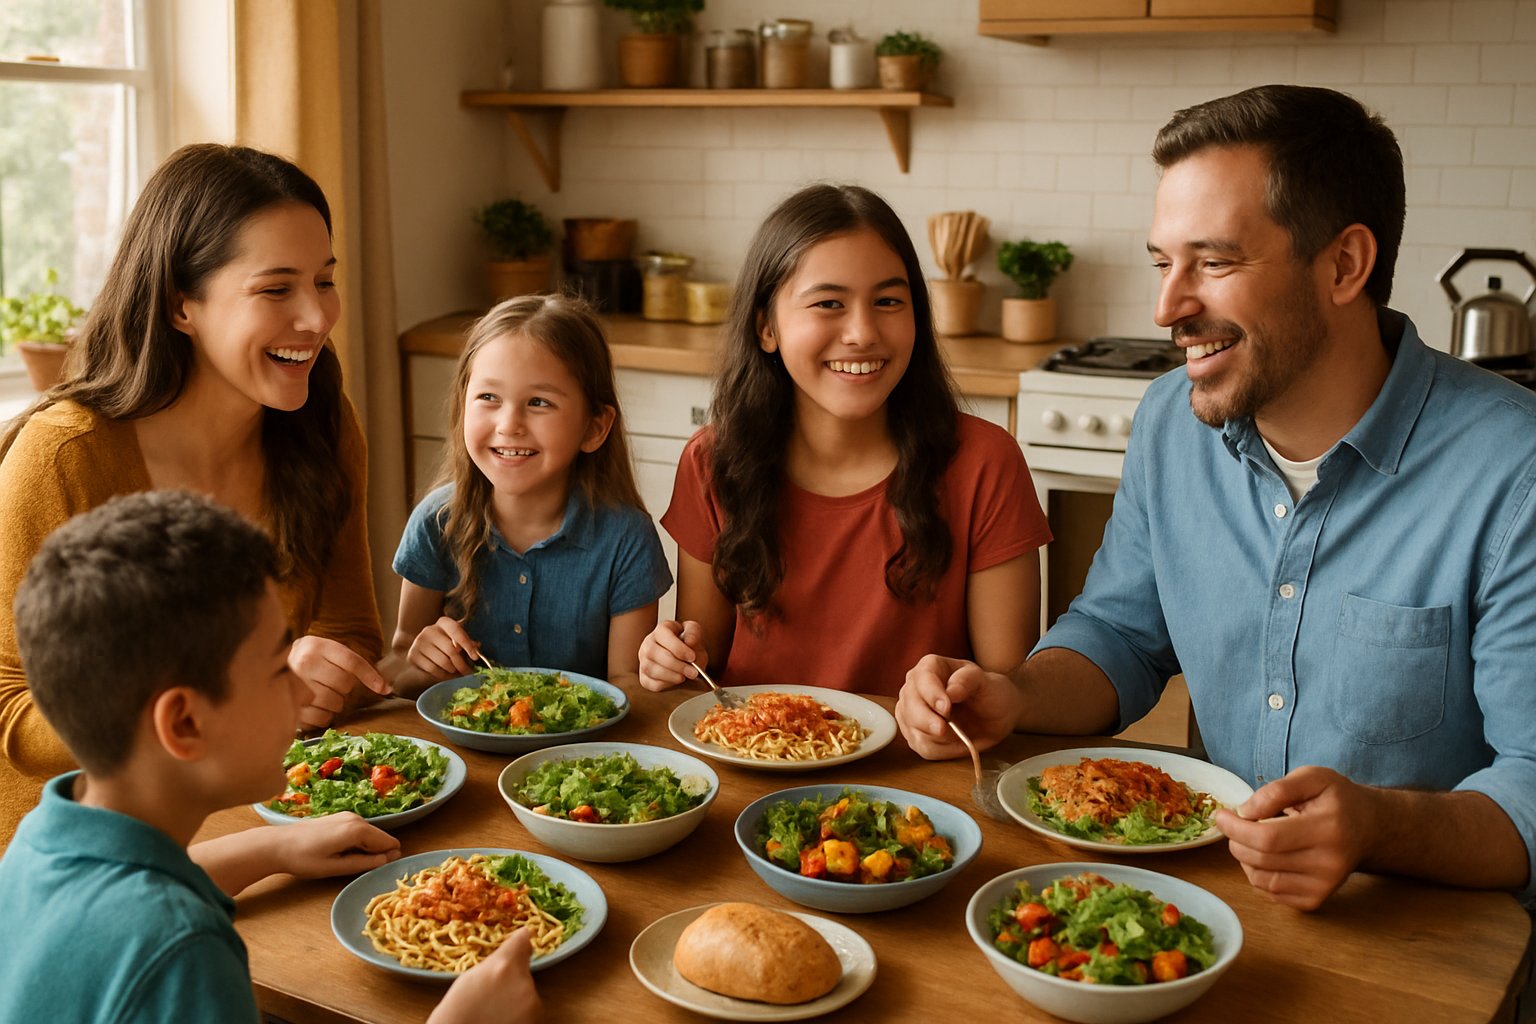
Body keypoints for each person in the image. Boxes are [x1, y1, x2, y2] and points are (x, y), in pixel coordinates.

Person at [899, 84, 1536, 912]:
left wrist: (1379, 827)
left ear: (1345, 265)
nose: (1168, 308)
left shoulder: (1513, 471)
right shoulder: (1172, 419)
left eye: (1216, 261)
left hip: (1426, 936)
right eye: (1164, 263)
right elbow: (1120, 634)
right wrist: (1014, 693)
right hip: (1209, 911)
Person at [0, 490, 540, 1024]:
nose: (304, 695)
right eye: (278, 669)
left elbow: (114, 905)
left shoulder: (37, 842)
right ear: (184, 723)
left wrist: (271, 847)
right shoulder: (183, 955)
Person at [0, 144, 388, 847]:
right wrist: (219, 703)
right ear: (182, 304)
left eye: (324, 280)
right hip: (87, 856)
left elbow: (350, 632)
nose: (317, 316)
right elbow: (10, 711)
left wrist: (318, 669)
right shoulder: (62, 457)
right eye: (276, 290)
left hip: (270, 807)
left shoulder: (321, 422)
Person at [639, 183, 1051, 699]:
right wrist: (674, 657)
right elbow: (705, 665)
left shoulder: (985, 462)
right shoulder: (712, 462)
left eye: (888, 301)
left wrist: (966, 696)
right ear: (766, 327)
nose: (862, 332)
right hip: (757, 762)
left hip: (917, 772)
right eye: (829, 302)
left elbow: (1006, 691)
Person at [385, 294, 670, 694]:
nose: (509, 424)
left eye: (538, 402)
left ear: (594, 427)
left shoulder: (627, 539)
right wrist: (422, 664)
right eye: (488, 398)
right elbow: (398, 664)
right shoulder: (435, 522)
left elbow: (627, 687)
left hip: (577, 754)